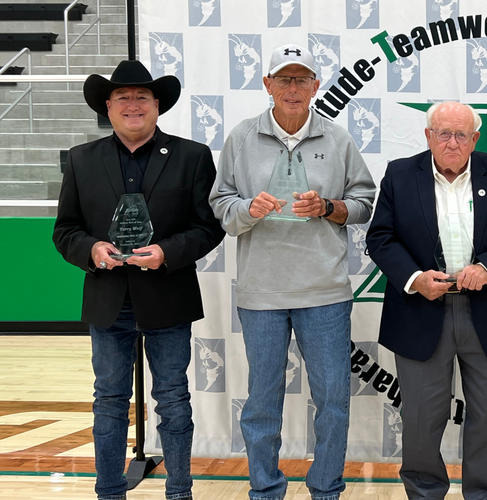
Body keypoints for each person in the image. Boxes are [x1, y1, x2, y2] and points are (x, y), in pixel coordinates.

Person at [208, 43, 375, 500]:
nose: (293, 88)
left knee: (334, 403)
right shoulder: (241, 138)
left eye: (302, 79)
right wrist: (248, 208)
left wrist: (328, 207)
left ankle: (326, 489)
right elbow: (221, 207)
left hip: (325, 292)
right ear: (267, 85)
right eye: (283, 79)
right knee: (262, 403)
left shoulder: (338, 139)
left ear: (317, 86)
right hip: (261, 293)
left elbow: (364, 203)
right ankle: (265, 490)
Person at [53, 59, 225, 500]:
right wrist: (91, 250)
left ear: (157, 105)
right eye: (123, 97)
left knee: (172, 399)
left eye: (142, 97)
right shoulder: (80, 160)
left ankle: (179, 491)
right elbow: (65, 230)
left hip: (168, 295)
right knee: (108, 400)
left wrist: (167, 252)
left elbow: (209, 227)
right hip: (108, 299)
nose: (133, 105)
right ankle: (109, 491)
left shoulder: (192, 156)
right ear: (107, 107)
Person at [366, 101, 487, 500]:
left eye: (462, 135)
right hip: (421, 310)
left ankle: (484, 494)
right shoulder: (400, 174)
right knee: (423, 417)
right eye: (443, 133)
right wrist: (414, 278)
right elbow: (381, 238)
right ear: (428, 136)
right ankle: (425, 493)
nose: (452, 142)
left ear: (475, 139)